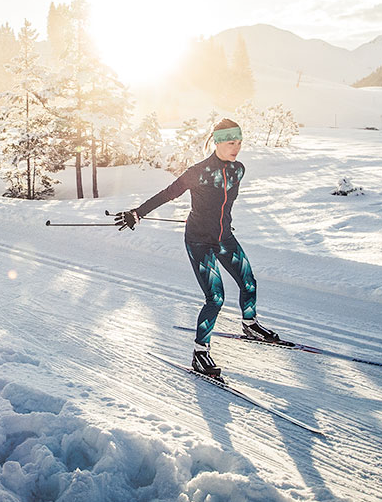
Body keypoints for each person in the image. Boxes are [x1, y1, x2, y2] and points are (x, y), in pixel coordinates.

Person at [113, 118, 281, 378]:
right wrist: (138, 213)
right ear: (216, 142)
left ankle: (250, 325)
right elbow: (168, 193)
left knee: (249, 282)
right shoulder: (198, 171)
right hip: (199, 241)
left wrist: (217, 220)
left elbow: (220, 203)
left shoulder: (239, 170)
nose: (235, 148)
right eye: (230, 142)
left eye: (239, 142)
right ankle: (200, 354)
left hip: (224, 237)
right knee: (215, 298)